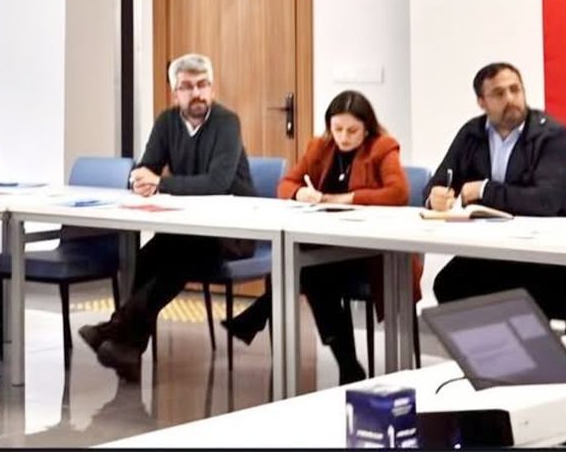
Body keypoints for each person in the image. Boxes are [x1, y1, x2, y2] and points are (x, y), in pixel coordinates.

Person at [78, 53, 257, 382]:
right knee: (147, 257)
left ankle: (114, 329)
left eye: (203, 85)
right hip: (188, 227)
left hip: (231, 232)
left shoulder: (227, 123)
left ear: (212, 88)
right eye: (187, 86)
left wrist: (160, 183)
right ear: (175, 93)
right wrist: (139, 179)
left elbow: (217, 183)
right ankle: (128, 349)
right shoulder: (166, 122)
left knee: (176, 262)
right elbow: (147, 166)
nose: (197, 93)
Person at [220, 90, 417, 384]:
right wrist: (301, 193)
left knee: (311, 272)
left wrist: (347, 198)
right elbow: (286, 184)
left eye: (352, 130)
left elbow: (398, 193)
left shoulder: (382, 147)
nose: (344, 137)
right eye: (337, 129)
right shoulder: (320, 147)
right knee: (315, 273)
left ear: (367, 128)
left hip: (372, 252)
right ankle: (348, 366)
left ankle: (259, 315)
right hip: (328, 247)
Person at [421, 62, 566, 319]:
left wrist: (484, 190)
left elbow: (545, 201)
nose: (510, 99)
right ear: (482, 102)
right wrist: (434, 197)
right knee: (448, 285)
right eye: (499, 93)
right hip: (499, 248)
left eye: (515, 89)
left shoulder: (553, 135)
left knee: (521, 291)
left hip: (554, 252)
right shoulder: (471, 134)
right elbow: (440, 180)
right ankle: (486, 345)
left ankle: (517, 345)